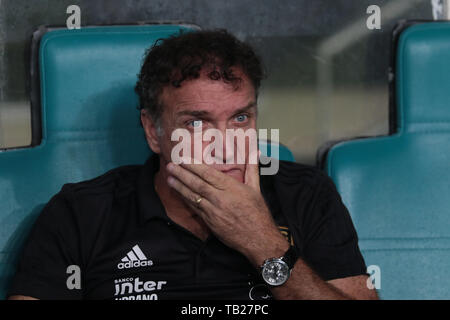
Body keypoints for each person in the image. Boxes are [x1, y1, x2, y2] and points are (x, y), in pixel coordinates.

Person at [8, 29, 377, 300]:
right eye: (196, 123)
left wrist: (262, 242)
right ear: (153, 131)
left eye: (240, 118)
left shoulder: (305, 194)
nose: (226, 145)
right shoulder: (82, 212)